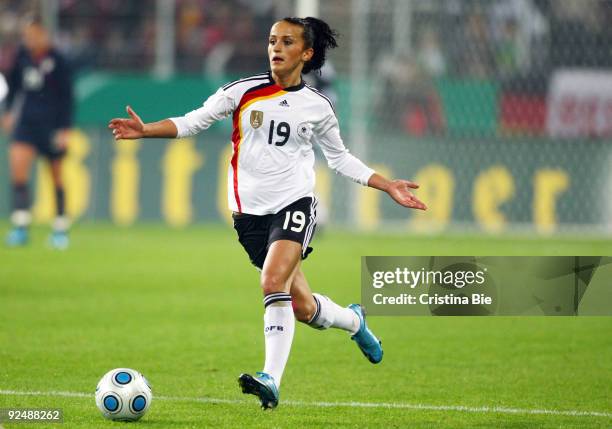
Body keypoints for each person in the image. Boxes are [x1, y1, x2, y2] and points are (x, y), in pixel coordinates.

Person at [109, 17, 426, 410]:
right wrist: (147, 130)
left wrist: (387, 184)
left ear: (306, 53)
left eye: (287, 41)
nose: (276, 47)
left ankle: (270, 379)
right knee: (302, 306)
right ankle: (354, 321)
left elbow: (340, 158)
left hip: (295, 205)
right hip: (249, 217)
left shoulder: (318, 106)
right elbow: (195, 120)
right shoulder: (242, 92)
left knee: (272, 280)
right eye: (273, 40)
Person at [2, 17, 74, 249]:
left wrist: (64, 129)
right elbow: (13, 88)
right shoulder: (22, 58)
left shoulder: (58, 60)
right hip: (26, 124)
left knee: (55, 176)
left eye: (34, 35)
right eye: (27, 35)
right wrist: (9, 112)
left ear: (44, 35)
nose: (30, 39)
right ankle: (21, 226)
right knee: (18, 173)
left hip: (51, 126)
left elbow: (67, 98)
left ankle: (60, 228)